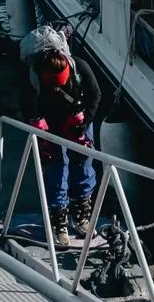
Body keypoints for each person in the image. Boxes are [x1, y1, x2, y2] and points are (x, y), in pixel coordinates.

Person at [19, 25, 101, 247]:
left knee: (84, 163)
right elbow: (28, 105)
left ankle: (81, 214)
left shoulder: (80, 67)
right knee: (57, 167)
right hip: (51, 122)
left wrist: (85, 123)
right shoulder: (34, 77)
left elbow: (95, 94)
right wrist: (37, 124)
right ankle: (59, 221)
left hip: (77, 117)